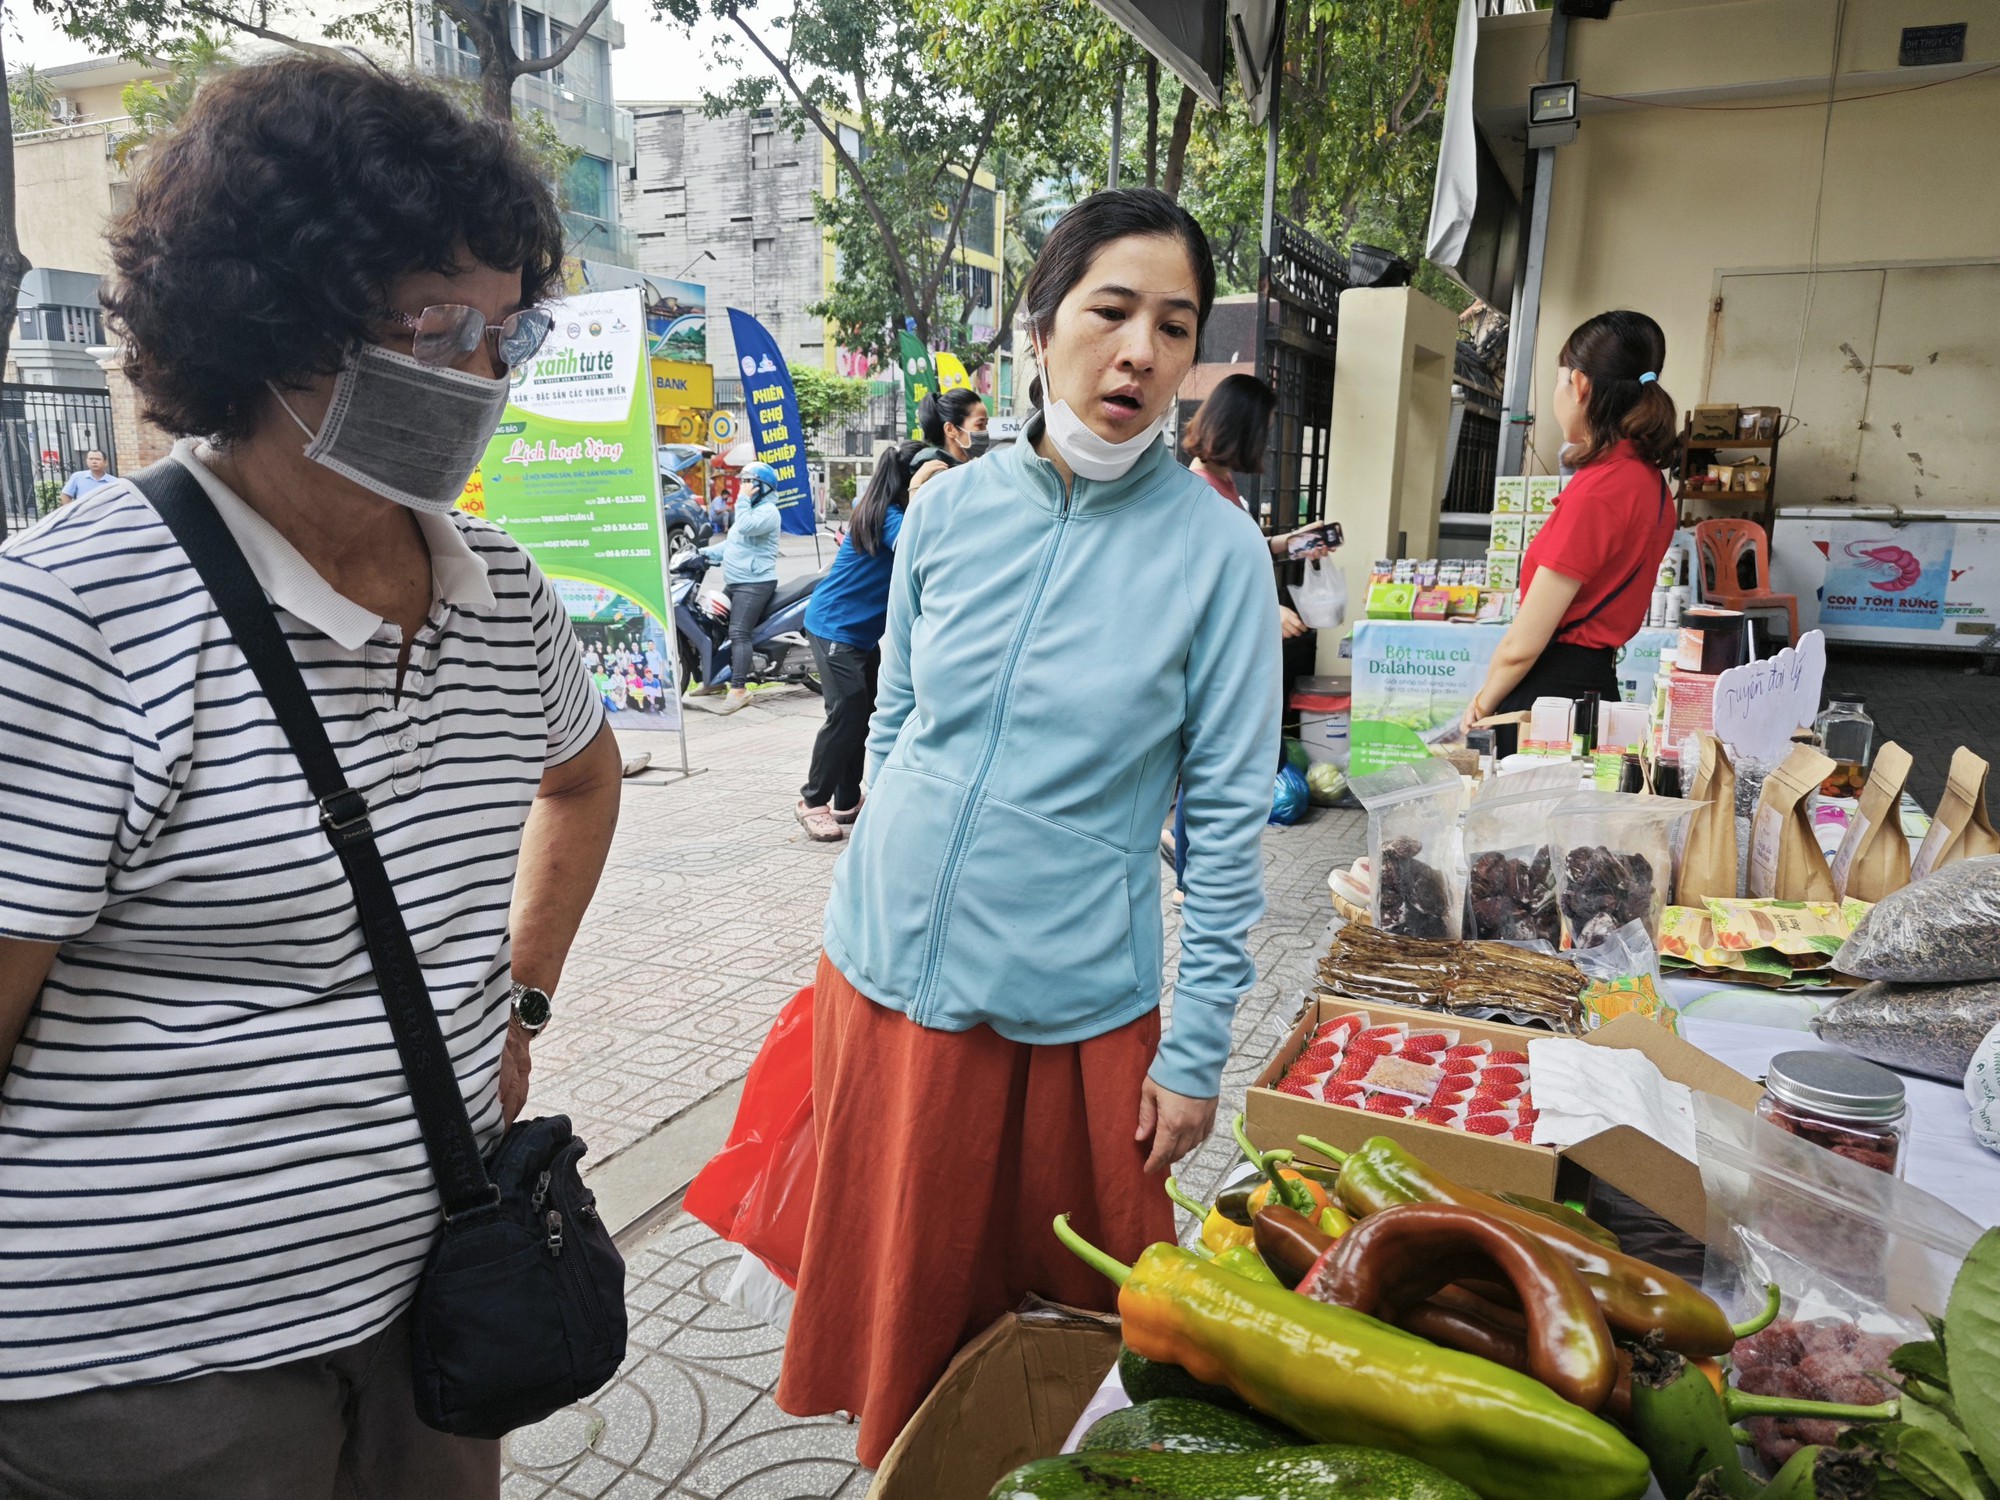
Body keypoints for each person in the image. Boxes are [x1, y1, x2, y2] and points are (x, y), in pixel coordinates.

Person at [0, 59, 622, 1497]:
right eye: (432, 327)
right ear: (273, 320)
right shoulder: (71, 619)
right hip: (145, 1384)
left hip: (436, 1321)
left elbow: (582, 785)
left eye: (503, 335)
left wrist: (520, 995)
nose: (478, 377)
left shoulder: (504, 594)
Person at [775, 188, 1281, 1465]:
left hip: (1064, 1018)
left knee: (1057, 1349)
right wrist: (863, 899)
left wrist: (1197, 1048)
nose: (1140, 353)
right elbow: (893, 725)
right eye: (1110, 312)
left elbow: (1223, 821)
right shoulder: (946, 511)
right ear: (1042, 325)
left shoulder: (1218, 555)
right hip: (882, 983)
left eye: (1174, 328)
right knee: (901, 1304)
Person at [1462, 310, 1679, 753]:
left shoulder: (1599, 491)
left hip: (1548, 700)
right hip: (1595, 688)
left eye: (1559, 381)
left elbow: (1523, 644)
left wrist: (1482, 703)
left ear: (1579, 385)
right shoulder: (1649, 483)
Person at [1165, 372, 1336, 899]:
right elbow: (1199, 582)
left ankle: (1195, 866)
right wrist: (1268, 611)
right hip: (1213, 663)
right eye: (1262, 427)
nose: (1265, 437)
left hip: (1226, 662)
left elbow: (1241, 551)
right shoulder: (1198, 492)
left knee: (1213, 771)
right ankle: (1193, 877)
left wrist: (1290, 544)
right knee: (1208, 770)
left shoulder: (1221, 488)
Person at [795, 388, 987, 842]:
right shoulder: (889, 516)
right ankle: (811, 799)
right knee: (846, 711)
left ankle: (845, 802)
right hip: (834, 626)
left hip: (859, 635)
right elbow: (917, 548)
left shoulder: (889, 510)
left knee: (861, 715)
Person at [689, 459, 782, 715]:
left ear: (762, 487)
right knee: (714, 629)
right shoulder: (750, 510)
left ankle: (739, 689)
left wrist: (741, 500)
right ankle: (714, 681)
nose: (744, 487)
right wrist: (701, 553)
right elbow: (733, 544)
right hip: (736, 581)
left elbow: (744, 526)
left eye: (749, 482)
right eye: (743, 483)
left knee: (739, 632)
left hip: (755, 584)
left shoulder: (767, 513)